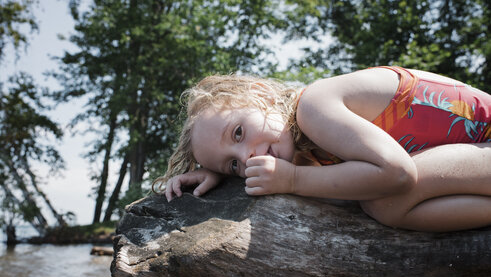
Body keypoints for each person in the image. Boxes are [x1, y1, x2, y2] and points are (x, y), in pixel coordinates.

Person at [152, 66, 491, 232]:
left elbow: (397, 172)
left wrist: (294, 180)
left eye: (238, 132)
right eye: (234, 166)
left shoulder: (314, 107)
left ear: (262, 95)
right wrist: (214, 173)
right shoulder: (299, 144)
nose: (247, 159)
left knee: (384, 201)